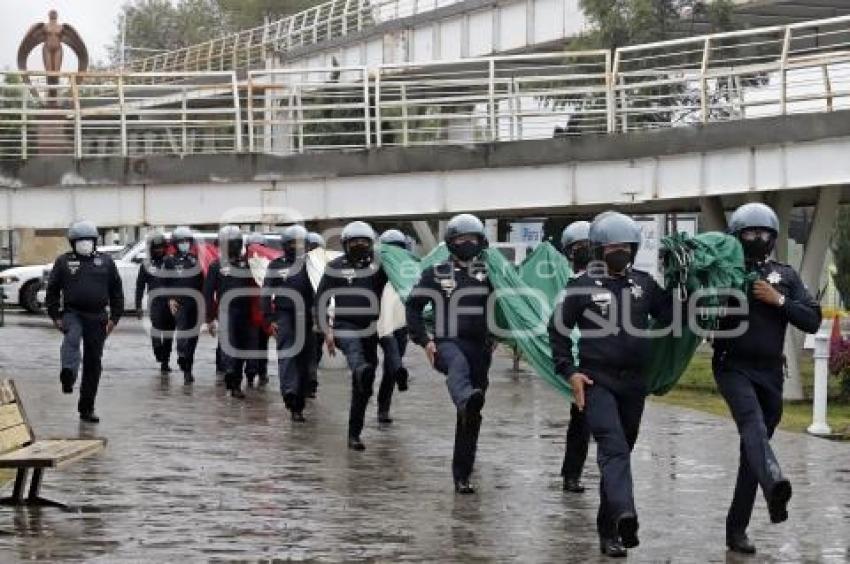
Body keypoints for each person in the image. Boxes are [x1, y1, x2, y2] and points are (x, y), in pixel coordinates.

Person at [548, 211, 675, 557]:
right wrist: (569, 371)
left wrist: (684, 281)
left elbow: (673, 314)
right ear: (599, 250)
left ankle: (610, 531)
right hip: (596, 380)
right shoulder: (581, 286)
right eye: (613, 247)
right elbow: (557, 330)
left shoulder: (644, 284)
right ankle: (626, 513)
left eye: (626, 247)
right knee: (613, 447)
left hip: (634, 385)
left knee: (620, 455)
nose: (620, 252)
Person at [712, 203, 821, 555]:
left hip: (772, 372)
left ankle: (738, 527)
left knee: (752, 452)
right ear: (737, 236)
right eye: (750, 233)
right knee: (753, 427)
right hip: (733, 366)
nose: (758, 239)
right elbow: (698, 306)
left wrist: (778, 299)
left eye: (764, 234)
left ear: (774, 238)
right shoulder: (724, 272)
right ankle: (774, 480)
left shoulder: (784, 274)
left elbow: (812, 319)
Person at [406, 214, 494, 494]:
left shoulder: (491, 273)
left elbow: (509, 307)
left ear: (481, 242)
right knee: (458, 369)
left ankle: (462, 475)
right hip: (447, 343)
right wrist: (424, 341)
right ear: (450, 243)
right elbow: (413, 307)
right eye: (460, 239)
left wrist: (498, 336)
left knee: (471, 416)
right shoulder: (435, 273)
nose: (467, 243)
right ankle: (465, 397)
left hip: (480, 348)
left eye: (472, 239)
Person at [315, 221, 387, 450]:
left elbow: (400, 287)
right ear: (346, 244)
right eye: (354, 241)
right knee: (356, 356)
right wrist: (326, 331)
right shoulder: (335, 267)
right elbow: (321, 301)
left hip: (372, 328)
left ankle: (354, 435)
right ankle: (359, 369)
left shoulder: (379, 267)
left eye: (363, 241)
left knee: (362, 389)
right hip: (345, 325)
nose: (359, 245)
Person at [45, 220, 123, 423]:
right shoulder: (64, 261)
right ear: (73, 243)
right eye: (80, 240)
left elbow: (116, 290)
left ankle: (86, 408)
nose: (84, 243)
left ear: (95, 241)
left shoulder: (105, 262)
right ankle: (68, 375)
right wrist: (55, 315)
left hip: (98, 317)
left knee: (93, 363)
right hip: (73, 313)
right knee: (71, 339)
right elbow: (52, 290)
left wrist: (115, 317)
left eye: (88, 240)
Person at [263, 225, 316, 421]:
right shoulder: (276, 265)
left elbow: (324, 289)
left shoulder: (313, 264)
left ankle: (300, 401)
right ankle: (290, 395)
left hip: (307, 315)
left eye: (300, 243)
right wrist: (269, 318)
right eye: (293, 243)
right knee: (287, 356)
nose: (297, 246)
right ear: (286, 245)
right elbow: (266, 292)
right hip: (284, 314)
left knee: (305, 359)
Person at [558, 220, 593, 493]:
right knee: (580, 420)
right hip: (578, 360)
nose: (585, 250)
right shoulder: (566, 284)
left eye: (589, 245)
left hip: (602, 356)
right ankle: (571, 474)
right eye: (579, 247)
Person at [204, 226, 257, 399]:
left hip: (246, 312)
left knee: (242, 348)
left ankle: (236, 379)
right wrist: (209, 318)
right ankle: (231, 378)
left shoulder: (248, 264)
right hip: (226, 311)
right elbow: (207, 293)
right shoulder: (216, 266)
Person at [376, 229, 412, 424]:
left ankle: (384, 408)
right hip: (377, 322)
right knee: (386, 360)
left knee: (390, 367)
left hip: (400, 322)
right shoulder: (373, 269)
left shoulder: (408, 270)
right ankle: (399, 370)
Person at [165, 226, 204, 385]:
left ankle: (188, 369)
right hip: (179, 302)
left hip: (195, 301)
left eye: (187, 241)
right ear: (175, 243)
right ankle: (181, 356)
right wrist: (170, 298)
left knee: (193, 336)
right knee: (182, 332)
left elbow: (203, 280)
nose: (185, 244)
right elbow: (164, 282)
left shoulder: (196, 259)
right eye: (181, 241)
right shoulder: (169, 261)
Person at [135, 230, 174, 375]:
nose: (159, 250)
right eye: (156, 248)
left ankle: (165, 362)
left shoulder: (170, 262)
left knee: (169, 333)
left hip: (171, 302)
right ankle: (158, 349)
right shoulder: (146, 264)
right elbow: (139, 286)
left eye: (161, 247)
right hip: (155, 302)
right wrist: (138, 305)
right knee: (157, 328)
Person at [245, 232, 272, 387]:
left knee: (262, 345)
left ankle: (262, 372)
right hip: (250, 313)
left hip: (264, 312)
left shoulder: (268, 265)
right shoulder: (244, 265)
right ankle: (250, 374)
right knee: (252, 345)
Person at [306, 231, 326, 397]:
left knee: (316, 349)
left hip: (319, 315)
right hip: (302, 316)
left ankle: (310, 380)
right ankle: (309, 380)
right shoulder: (297, 267)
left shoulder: (323, 267)